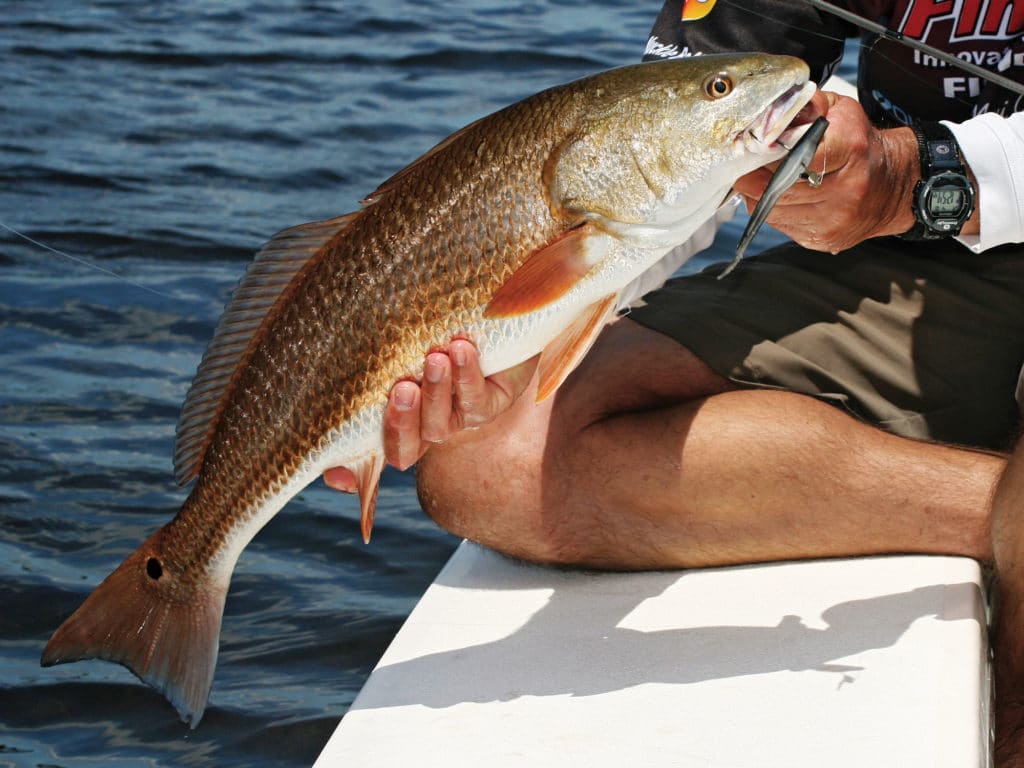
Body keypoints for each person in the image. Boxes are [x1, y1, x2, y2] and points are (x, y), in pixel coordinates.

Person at [324, 0, 1024, 761]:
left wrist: (925, 176)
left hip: (923, 199)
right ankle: (993, 507)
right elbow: (667, 141)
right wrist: (524, 336)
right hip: (912, 251)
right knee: (491, 464)